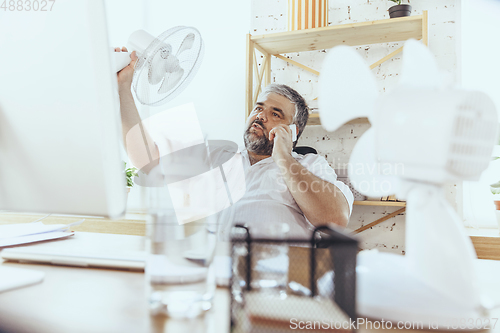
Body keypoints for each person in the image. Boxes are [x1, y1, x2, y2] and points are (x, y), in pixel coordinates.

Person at [115, 47, 353, 238]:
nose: (261, 115)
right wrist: (123, 87)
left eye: (276, 114)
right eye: (259, 108)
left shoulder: (310, 165)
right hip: (218, 275)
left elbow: (335, 220)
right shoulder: (219, 156)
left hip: (276, 286)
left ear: (293, 130)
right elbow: (148, 160)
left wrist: (284, 158)